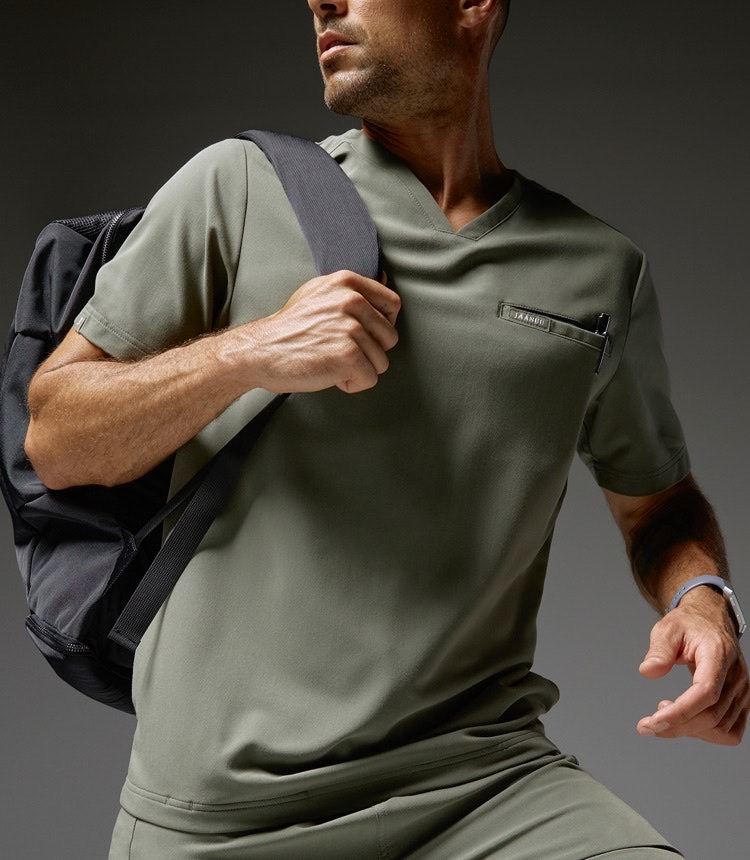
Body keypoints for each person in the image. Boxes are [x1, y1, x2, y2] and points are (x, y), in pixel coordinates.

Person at [23, 0, 748, 857]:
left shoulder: (600, 271)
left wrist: (704, 599)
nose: (321, 2)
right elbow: (56, 440)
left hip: (482, 784)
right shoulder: (239, 187)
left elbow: (659, 505)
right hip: (222, 815)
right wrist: (249, 352)